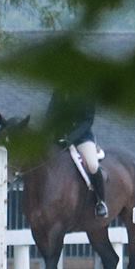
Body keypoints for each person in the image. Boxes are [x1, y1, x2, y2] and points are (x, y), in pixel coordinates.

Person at [45, 91, 107, 219]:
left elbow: (87, 121)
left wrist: (71, 138)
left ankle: (101, 202)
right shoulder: (59, 91)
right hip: (59, 137)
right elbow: (50, 114)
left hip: (81, 138)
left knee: (92, 165)